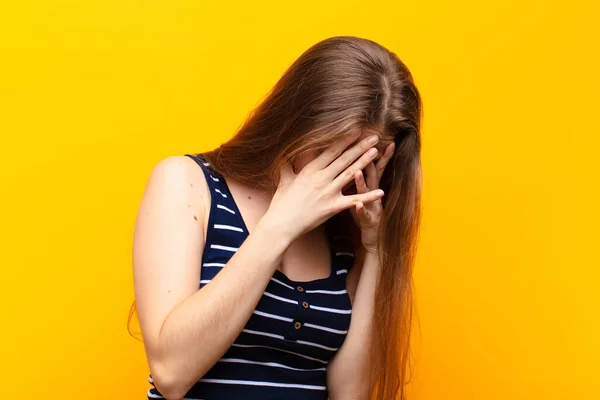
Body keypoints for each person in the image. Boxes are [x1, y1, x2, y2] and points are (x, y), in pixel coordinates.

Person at [132, 36, 422, 400]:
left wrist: (375, 247)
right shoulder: (187, 183)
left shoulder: (344, 229)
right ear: (296, 120)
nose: (342, 174)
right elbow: (171, 372)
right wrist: (282, 223)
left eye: (363, 161)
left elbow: (349, 393)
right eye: (328, 151)